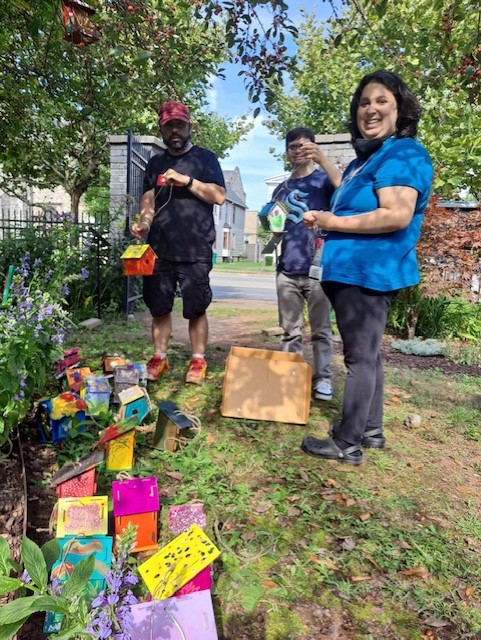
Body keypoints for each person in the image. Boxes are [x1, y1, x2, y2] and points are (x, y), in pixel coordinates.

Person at [300, 70, 433, 465]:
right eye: (363, 103)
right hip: (351, 273)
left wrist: (330, 221)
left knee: (358, 359)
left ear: (400, 110)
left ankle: (346, 443)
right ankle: (371, 431)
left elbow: (395, 215)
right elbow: (353, 196)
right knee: (368, 355)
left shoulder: (404, 153)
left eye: (381, 101)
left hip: (368, 273)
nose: (370, 109)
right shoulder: (369, 160)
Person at [131, 101, 226, 384]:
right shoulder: (155, 163)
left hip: (195, 248)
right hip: (159, 249)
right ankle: (159, 358)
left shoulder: (206, 160)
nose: (174, 130)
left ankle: (198, 361)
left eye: (179, 124)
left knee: (196, 308)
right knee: (158, 307)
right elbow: (148, 199)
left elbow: (219, 195)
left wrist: (186, 181)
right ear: (162, 129)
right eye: (168, 125)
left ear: (189, 126)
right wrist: (144, 223)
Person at [272, 127, 341, 401]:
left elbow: (345, 188)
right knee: (290, 331)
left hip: (319, 269)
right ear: (287, 152)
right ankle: (291, 376)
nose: (297, 151)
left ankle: (323, 378)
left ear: (312, 147)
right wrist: (272, 225)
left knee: (321, 330)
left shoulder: (324, 180)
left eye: (303, 146)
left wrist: (323, 159)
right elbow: (277, 228)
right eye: (292, 147)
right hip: (288, 268)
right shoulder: (282, 187)